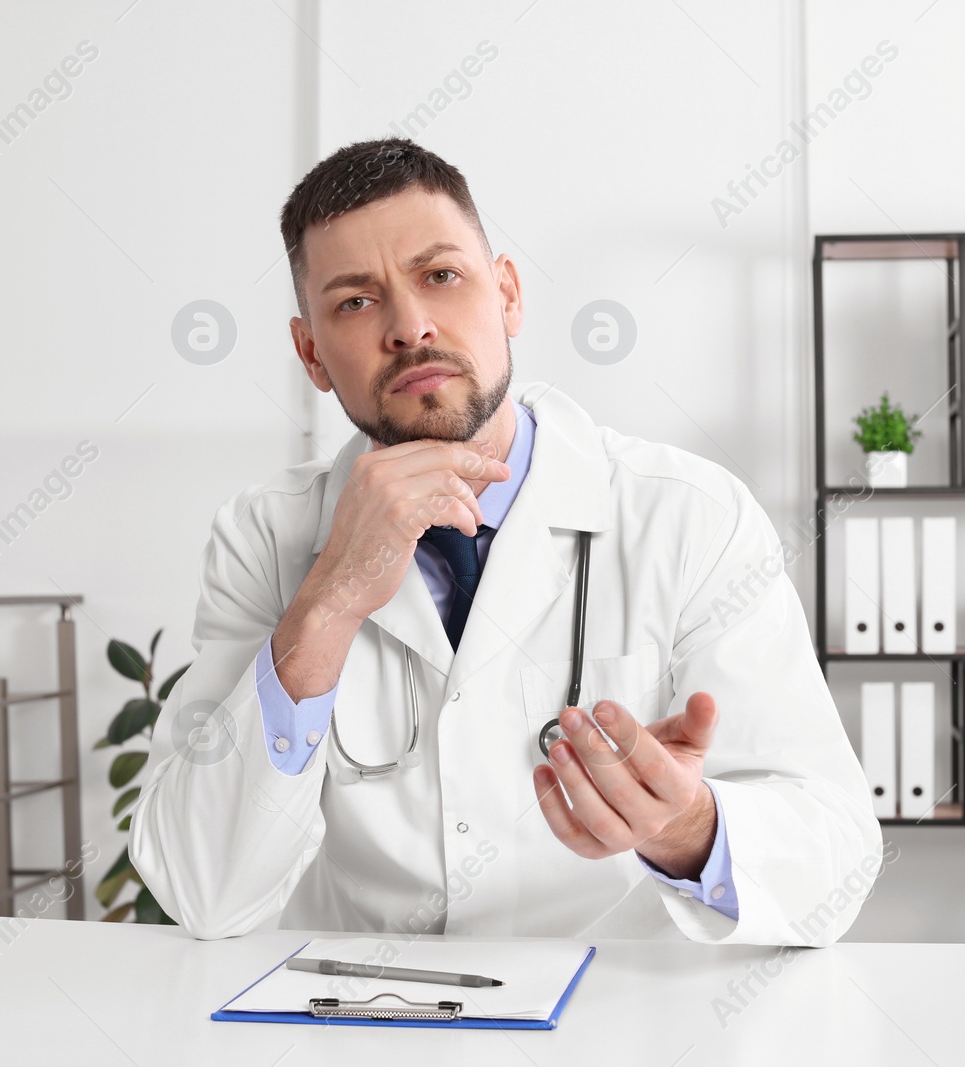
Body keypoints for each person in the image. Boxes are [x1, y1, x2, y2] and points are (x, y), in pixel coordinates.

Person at [129, 138, 882, 945]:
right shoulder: (265, 535)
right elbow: (201, 887)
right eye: (354, 301)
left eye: (440, 276)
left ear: (509, 294)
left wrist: (687, 828)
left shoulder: (690, 517)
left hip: (621, 1024)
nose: (410, 327)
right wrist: (331, 598)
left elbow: (834, 858)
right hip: (369, 1026)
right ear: (311, 353)